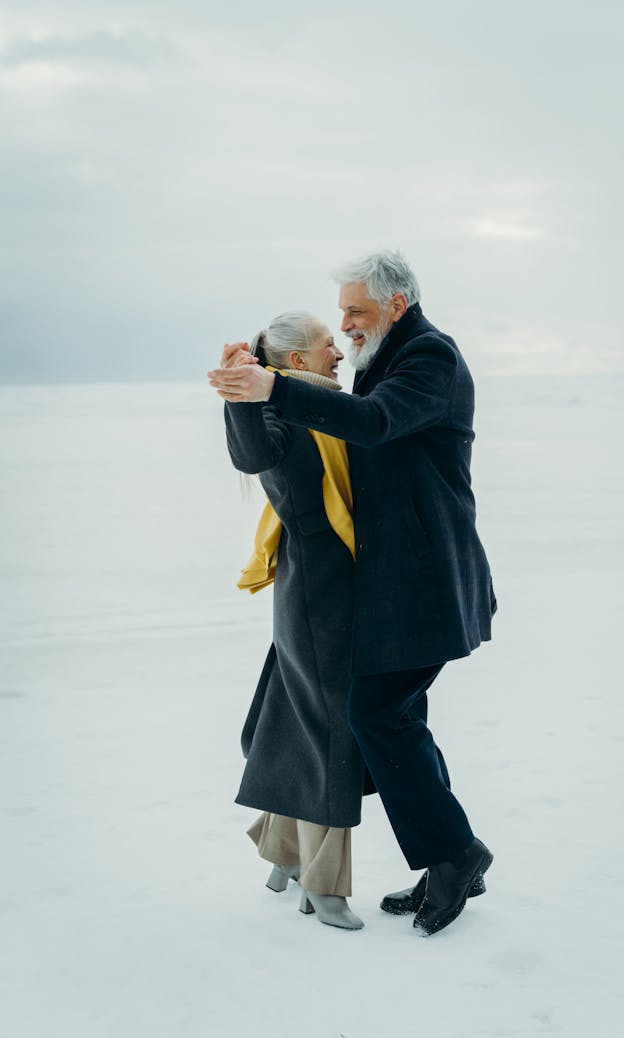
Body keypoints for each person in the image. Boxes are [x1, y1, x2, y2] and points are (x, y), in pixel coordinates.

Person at [209, 251, 497, 937]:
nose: (345, 327)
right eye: (338, 315)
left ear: (397, 304)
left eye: (356, 312)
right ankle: (450, 856)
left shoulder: (429, 359)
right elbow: (286, 445)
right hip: (392, 590)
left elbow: (369, 424)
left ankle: (455, 855)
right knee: (394, 716)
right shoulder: (385, 358)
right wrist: (254, 393)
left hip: (426, 583)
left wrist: (272, 387)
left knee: (377, 715)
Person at [217, 310, 369, 931]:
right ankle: (325, 883)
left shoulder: (330, 403)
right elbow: (253, 454)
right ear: (299, 361)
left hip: (327, 583)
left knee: (297, 711)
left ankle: (282, 851)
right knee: (336, 727)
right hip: (316, 589)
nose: (338, 350)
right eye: (326, 344)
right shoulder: (279, 408)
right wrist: (241, 395)